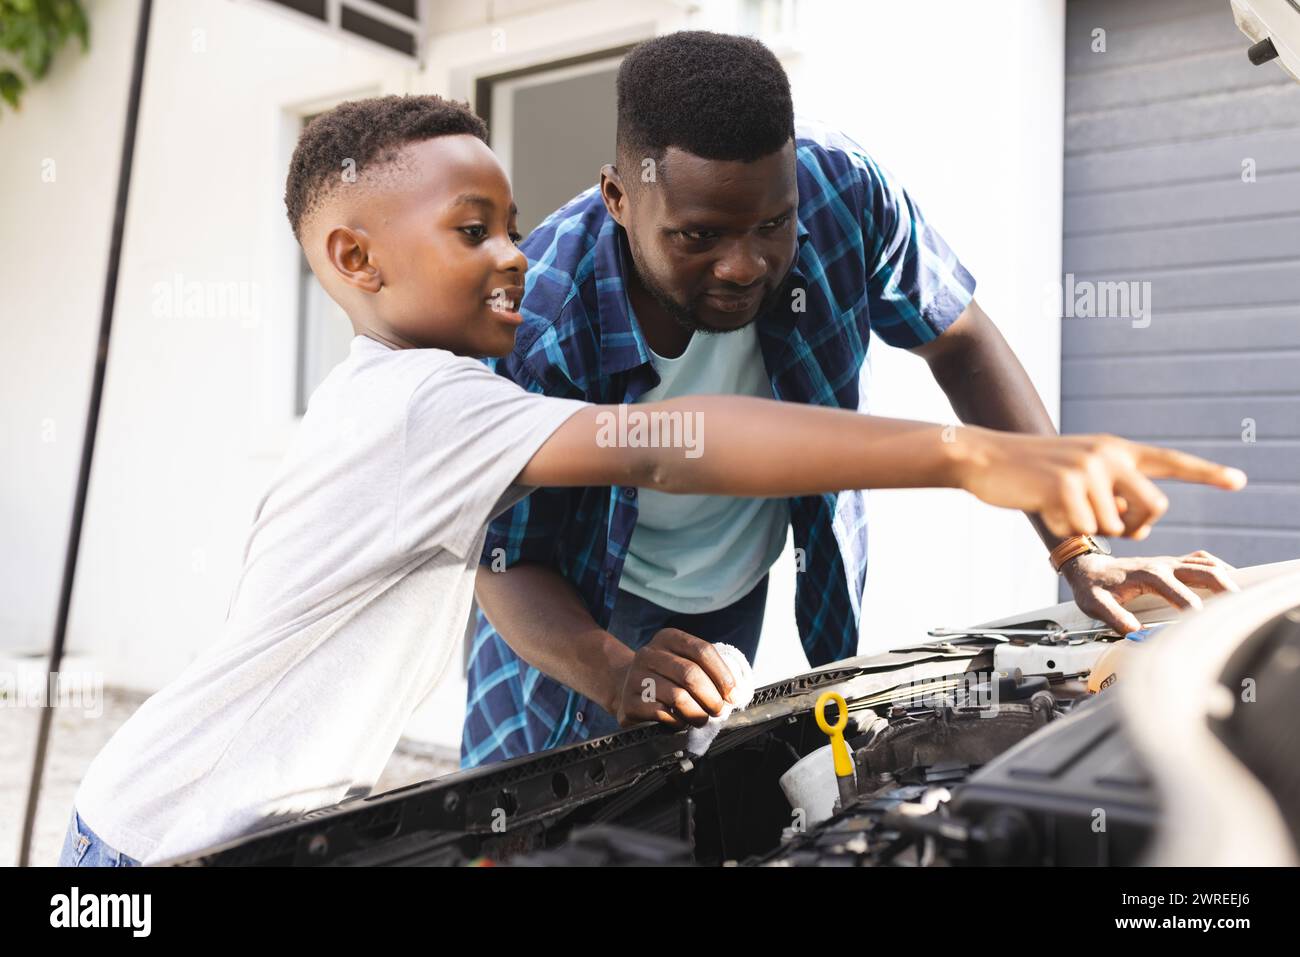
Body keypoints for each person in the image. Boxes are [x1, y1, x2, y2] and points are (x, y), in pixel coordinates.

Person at [59, 93, 1242, 865]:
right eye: (473, 231)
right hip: (155, 846)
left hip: (246, 826)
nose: (515, 251)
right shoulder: (427, 406)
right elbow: (679, 438)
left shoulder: (428, 396)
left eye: (508, 222)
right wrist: (971, 457)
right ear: (354, 259)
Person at [461, 31, 1244, 769]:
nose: (743, 266)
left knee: (686, 819)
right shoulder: (539, 316)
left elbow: (961, 343)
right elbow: (503, 560)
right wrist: (615, 671)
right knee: (543, 826)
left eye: (773, 224)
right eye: (700, 237)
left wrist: (1079, 554)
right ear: (618, 198)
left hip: (731, 590)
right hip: (569, 614)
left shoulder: (844, 192)